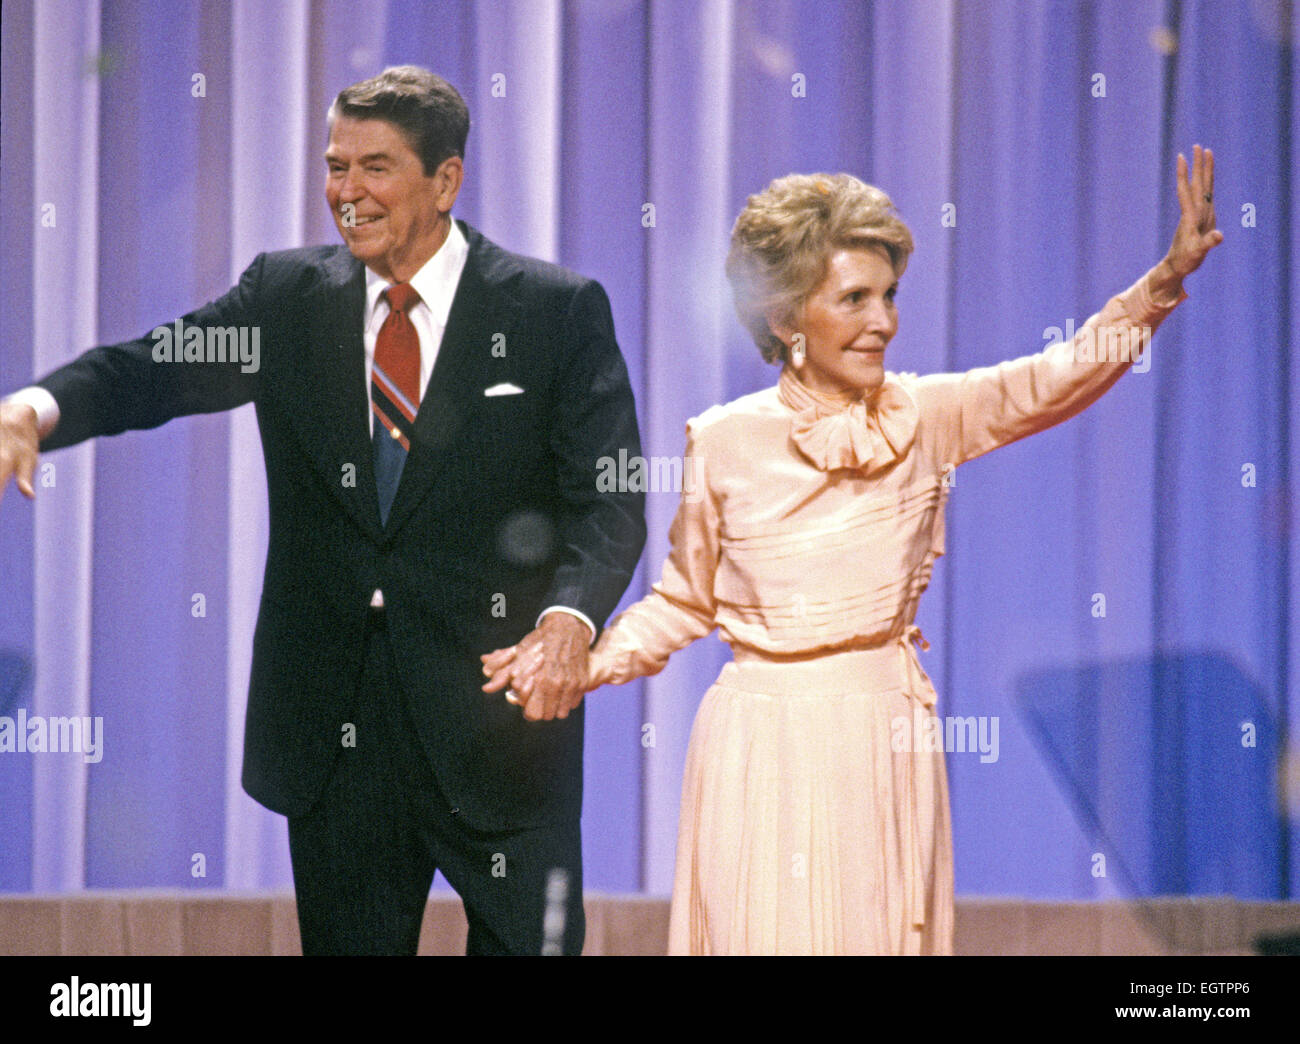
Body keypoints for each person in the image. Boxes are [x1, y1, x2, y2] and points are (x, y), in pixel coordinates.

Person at [484, 146, 1222, 954]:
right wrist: (580, 660)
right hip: (760, 745)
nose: (884, 321)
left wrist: (1163, 284)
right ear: (785, 316)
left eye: (890, 295)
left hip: (881, 735)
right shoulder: (723, 440)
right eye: (856, 298)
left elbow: (1058, 377)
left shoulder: (929, 415)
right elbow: (685, 602)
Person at [0, 66, 646, 955]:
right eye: (335, 166)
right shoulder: (286, 299)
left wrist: (570, 619)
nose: (347, 193)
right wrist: (33, 408)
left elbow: (608, 497)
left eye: (375, 168)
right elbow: (151, 369)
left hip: (500, 720)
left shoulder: (551, 310)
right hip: (336, 735)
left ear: (445, 179)